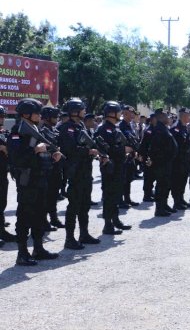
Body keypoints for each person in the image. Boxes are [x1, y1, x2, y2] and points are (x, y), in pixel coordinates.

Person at [8, 98, 62, 265]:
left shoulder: (36, 130)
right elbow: (18, 159)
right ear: (26, 114)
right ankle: (22, 253)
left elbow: (41, 155)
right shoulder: (17, 133)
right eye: (36, 113)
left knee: (39, 214)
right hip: (27, 181)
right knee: (25, 216)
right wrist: (34, 150)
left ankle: (38, 248)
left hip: (40, 178)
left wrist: (52, 155)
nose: (40, 115)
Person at [58, 98, 103, 248]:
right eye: (82, 109)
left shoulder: (80, 126)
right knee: (74, 205)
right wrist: (88, 151)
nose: (85, 111)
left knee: (84, 205)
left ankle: (84, 234)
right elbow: (70, 149)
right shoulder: (67, 128)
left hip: (85, 171)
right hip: (75, 172)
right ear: (75, 111)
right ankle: (69, 238)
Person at [95, 101, 132, 235]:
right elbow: (106, 149)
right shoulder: (103, 128)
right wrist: (123, 150)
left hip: (118, 166)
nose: (120, 114)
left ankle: (115, 219)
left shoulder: (114, 128)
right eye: (118, 112)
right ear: (112, 113)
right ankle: (108, 224)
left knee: (116, 195)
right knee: (109, 195)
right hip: (110, 167)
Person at [144, 109, 178, 217]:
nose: (168, 118)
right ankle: (159, 208)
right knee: (161, 185)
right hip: (162, 163)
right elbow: (156, 148)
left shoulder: (163, 128)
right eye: (166, 116)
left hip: (167, 162)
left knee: (166, 185)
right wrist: (161, 160)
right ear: (161, 117)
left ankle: (164, 204)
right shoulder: (159, 129)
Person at [40, 106, 65, 231]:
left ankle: (54, 218)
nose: (57, 119)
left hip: (56, 166)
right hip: (46, 167)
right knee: (46, 195)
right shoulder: (41, 130)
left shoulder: (53, 129)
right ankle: (44, 221)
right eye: (55, 117)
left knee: (54, 194)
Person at [169, 108, 190, 210]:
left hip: (185, 158)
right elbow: (173, 146)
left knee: (183, 179)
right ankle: (176, 201)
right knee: (177, 180)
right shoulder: (175, 128)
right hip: (177, 160)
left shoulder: (185, 127)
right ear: (183, 116)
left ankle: (181, 198)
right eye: (188, 115)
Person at [119, 105, 140, 208]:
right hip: (123, 156)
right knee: (121, 180)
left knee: (128, 179)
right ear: (124, 113)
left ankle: (127, 199)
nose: (132, 115)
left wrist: (134, 152)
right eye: (129, 113)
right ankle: (120, 200)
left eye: (132, 113)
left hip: (130, 156)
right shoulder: (120, 126)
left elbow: (133, 140)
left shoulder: (130, 125)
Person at [0, 105, 16, 243]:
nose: (2, 119)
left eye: (3, 116)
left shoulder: (3, 132)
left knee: (2, 202)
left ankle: (1, 230)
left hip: (3, 171)